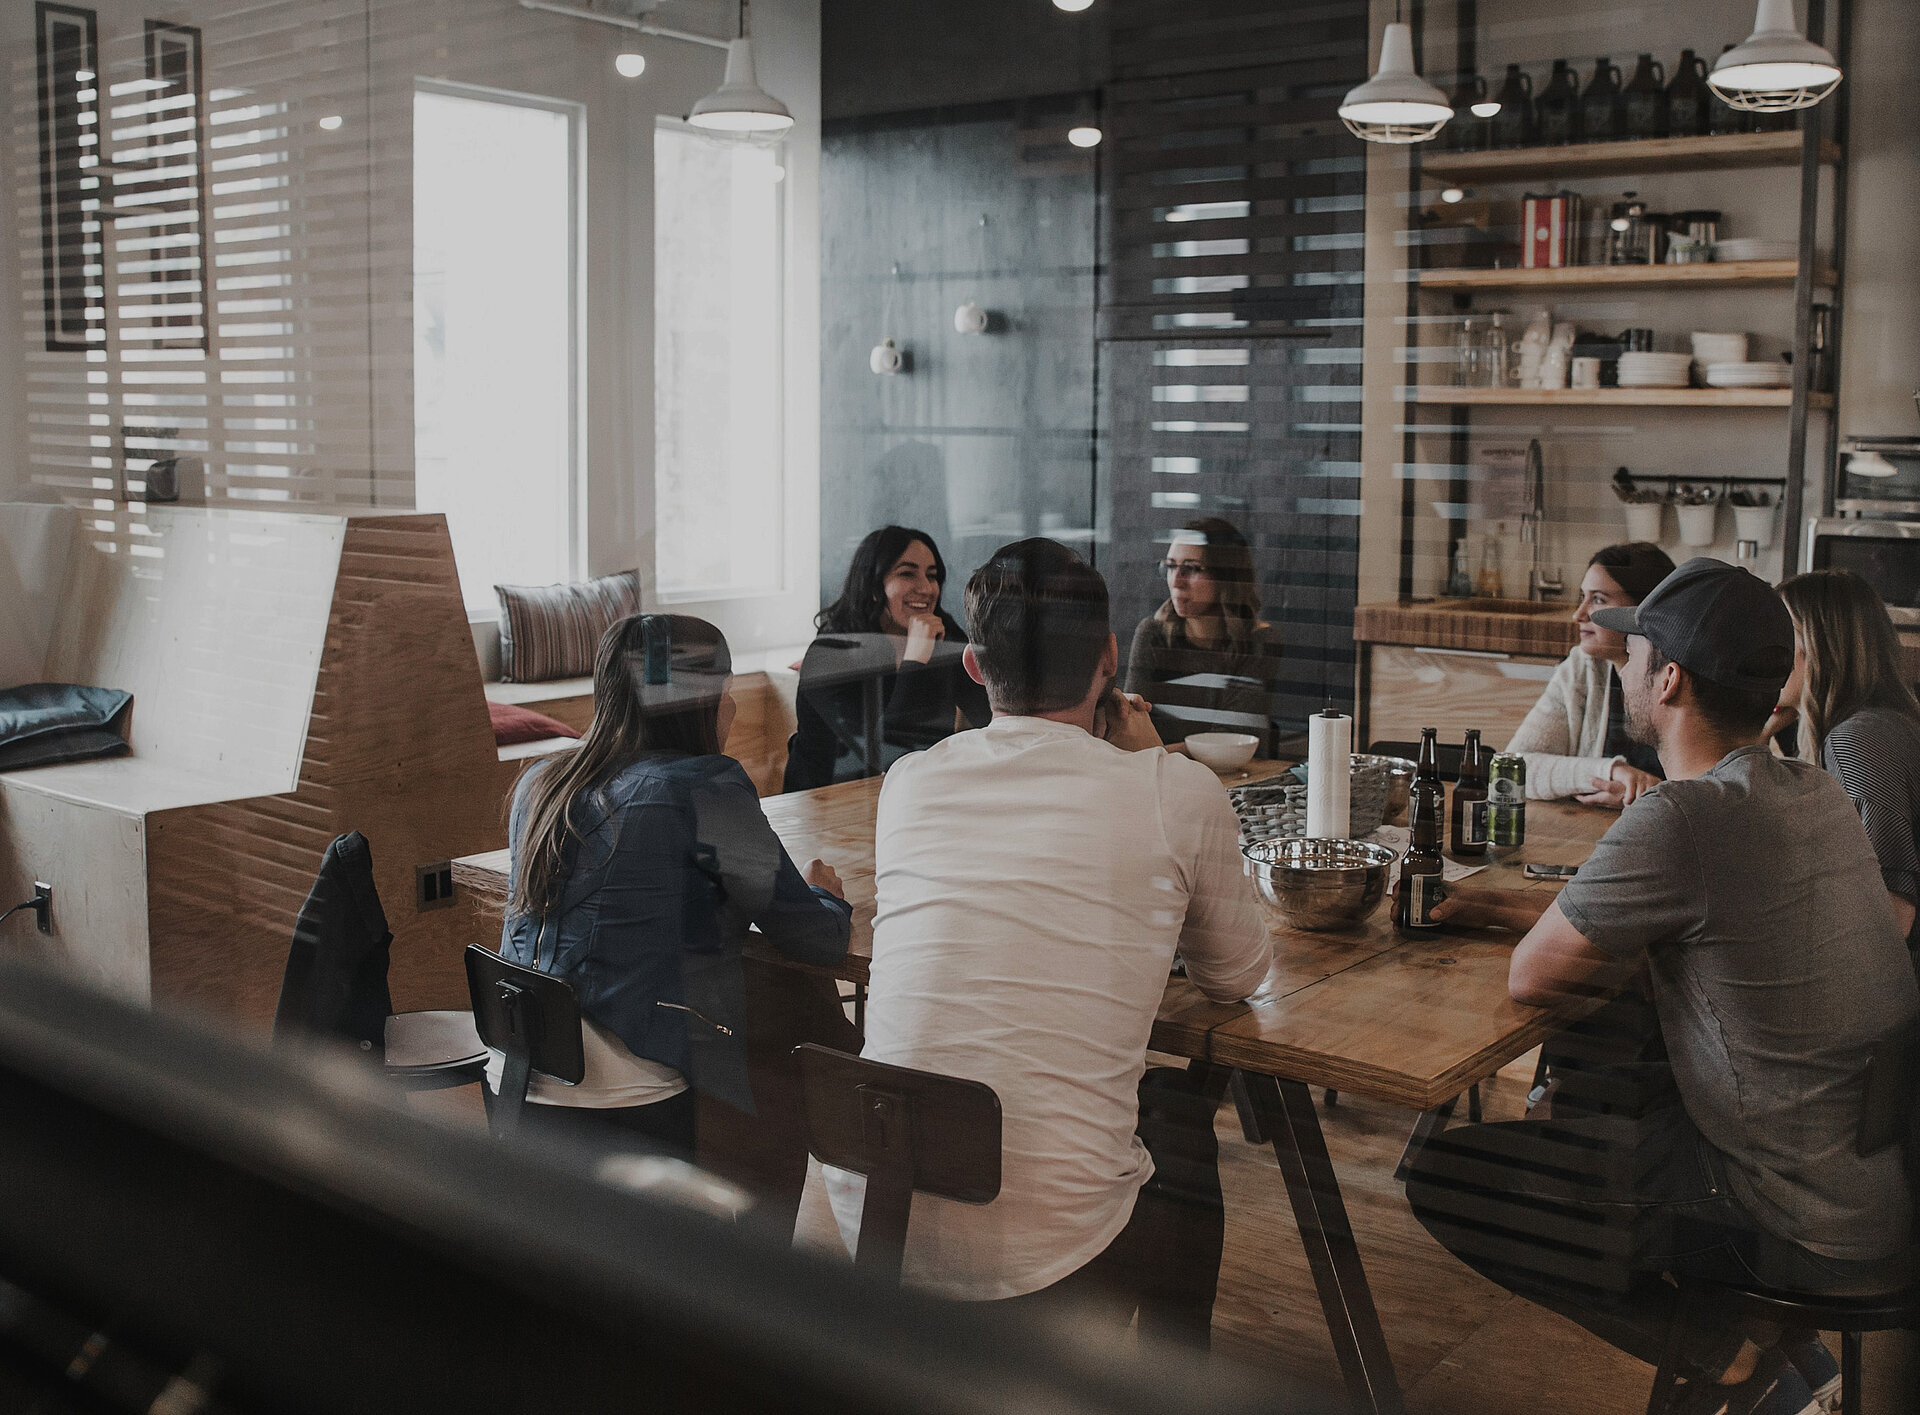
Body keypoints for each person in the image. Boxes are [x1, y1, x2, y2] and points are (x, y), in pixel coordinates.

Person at [1411, 559, 1919, 1415]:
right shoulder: (1811, 789)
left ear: (1670, 678)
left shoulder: (1682, 817)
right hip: (1869, 1184)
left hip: (1785, 1219)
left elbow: (1532, 975)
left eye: (1638, 647)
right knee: (1614, 1071)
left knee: (1445, 1175)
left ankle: (1729, 1357)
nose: (1626, 662)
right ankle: (1770, 1357)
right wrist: (1484, 902)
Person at [822, 538, 1271, 1344]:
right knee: (1177, 1119)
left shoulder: (910, 783)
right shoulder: (1175, 789)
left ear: (973, 664)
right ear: (1109, 657)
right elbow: (1237, 975)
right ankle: (1176, 1381)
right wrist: (1153, 763)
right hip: (1050, 1252)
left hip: (873, 1214)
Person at [498, 614, 852, 1164]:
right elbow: (816, 940)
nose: (731, 707)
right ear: (701, 701)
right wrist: (827, 893)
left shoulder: (539, 785)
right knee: (794, 1027)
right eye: (728, 691)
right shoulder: (705, 788)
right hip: (624, 1096)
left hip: (518, 1077)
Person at [1775, 568, 1920, 957]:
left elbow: (1891, 914)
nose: (1764, 653)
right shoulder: (1883, 722)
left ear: (1819, 647)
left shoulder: (1857, 740)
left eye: (1778, 638)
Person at [783, 526, 991, 791]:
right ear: (873, 586)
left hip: (915, 793)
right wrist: (916, 660)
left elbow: (991, 714)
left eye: (932, 576)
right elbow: (888, 755)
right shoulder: (829, 655)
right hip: (827, 804)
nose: (926, 588)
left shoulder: (943, 632)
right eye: (907, 574)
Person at [1504, 541, 1674, 806]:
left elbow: (1709, 792)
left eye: (1597, 599)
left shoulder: (1682, 678)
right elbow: (1512, 769)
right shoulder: (1581, 668)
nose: (1578, 614)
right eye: (1582, 597)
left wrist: (1641, 797)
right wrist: (1611, 771)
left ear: (1643, 610)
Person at [1124, 517, 1284, 746]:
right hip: (1159, 773)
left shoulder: (1260, 641)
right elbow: (1130, 724)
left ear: (1225, 577)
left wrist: (1156, 753)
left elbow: (1233, 739)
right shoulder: (1153, 633)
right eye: (1170, 566)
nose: (1176, 581)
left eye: (1191, 568)